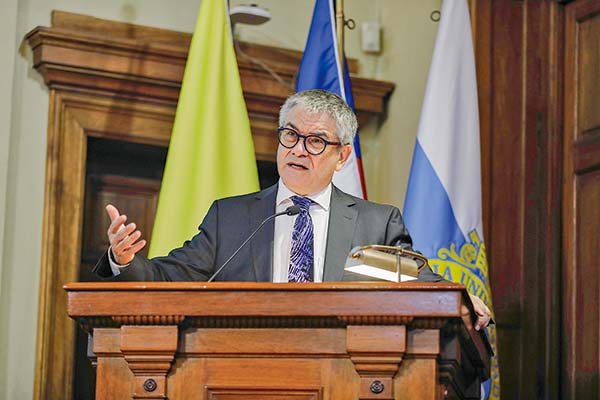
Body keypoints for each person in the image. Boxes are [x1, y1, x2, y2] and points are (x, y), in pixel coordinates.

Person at [94, 89, 491, 330]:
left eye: (315, 141)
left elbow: (415, 284)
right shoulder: (232, 218)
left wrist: (458, 298)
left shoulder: (373, 224)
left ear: (342, 156)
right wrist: (123, 259)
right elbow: (170, 276)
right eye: (290, 135)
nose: (299, 148)